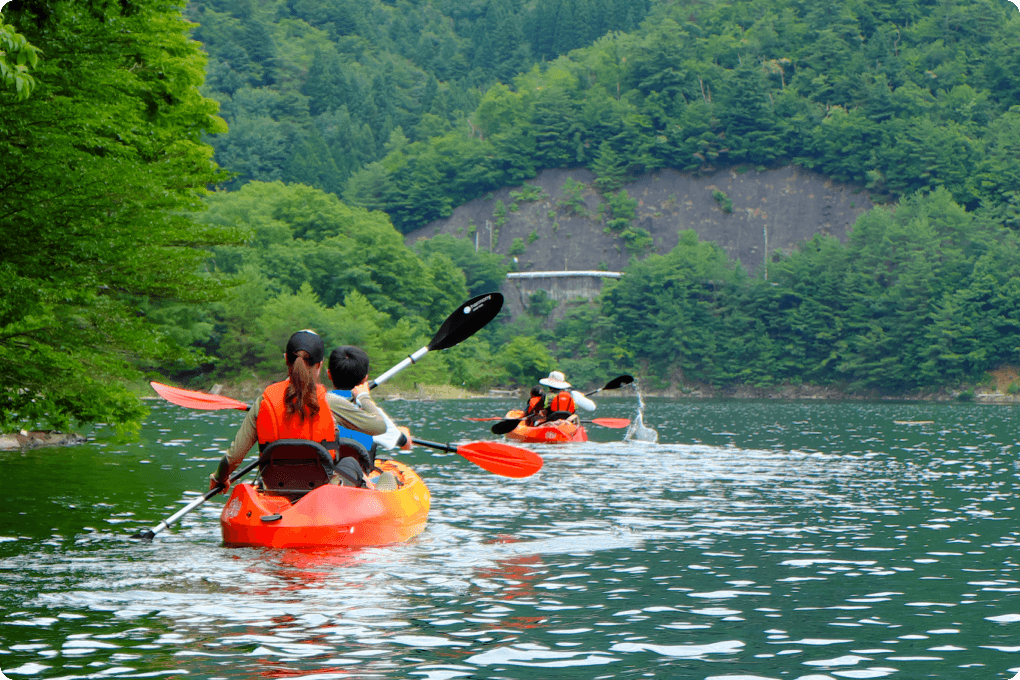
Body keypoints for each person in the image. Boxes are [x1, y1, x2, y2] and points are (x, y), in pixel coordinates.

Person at [211, 329, 345, 493]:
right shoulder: (330, 401)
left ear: (285, 359)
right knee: (350, 464)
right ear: (320, 364)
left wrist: (220, 477)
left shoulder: (264, 401)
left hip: (275, 485)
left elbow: (234, 456)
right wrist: (363, 397)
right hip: (319, 488)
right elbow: (376, 426)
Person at [326, 345, 408, 490]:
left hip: (324, 475)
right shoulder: (374, 413)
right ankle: (375, 488)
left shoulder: (319, 404)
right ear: (365, 379)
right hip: (359, 480)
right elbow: (406, 445)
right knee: (389, 476)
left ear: (328, 374)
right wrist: (404, 435)